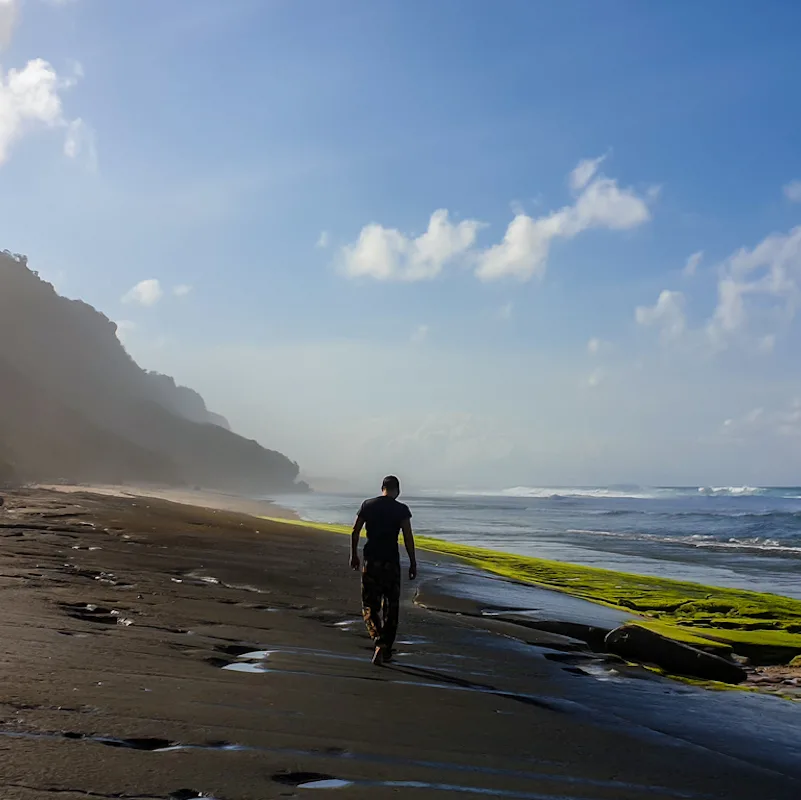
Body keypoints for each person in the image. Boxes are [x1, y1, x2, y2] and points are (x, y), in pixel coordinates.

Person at [350, 475, 417, 666]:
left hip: (371, 561)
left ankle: (379, 641)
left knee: (369, 605)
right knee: (391, 606)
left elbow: (355, 531)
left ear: (382, 488)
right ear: (398, 490)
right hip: (391, 563)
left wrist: (353, 555)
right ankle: (385, 645)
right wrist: (413, 562)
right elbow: (408, 538)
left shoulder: (368, 505)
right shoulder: (401, 510)